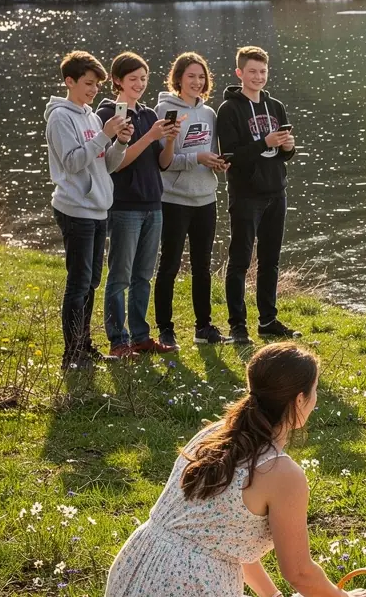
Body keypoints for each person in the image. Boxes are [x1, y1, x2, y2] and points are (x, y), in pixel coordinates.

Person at [104, 342, 366, 597]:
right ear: (299, 401)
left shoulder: (213, 436)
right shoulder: (280, 472)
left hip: (127, 594)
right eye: (315, 392)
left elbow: (228, 541)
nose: (316, 400)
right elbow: (300, 572)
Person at [45, 51, 131, 370]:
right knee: (79, 283)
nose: (94, 90)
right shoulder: (60, 117)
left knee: (92, 281)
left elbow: (105, 165)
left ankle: (84, 346)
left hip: (98, 208)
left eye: (97, 85)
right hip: (75, 209)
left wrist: (119, 142)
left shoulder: (92, 117)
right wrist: (104, 135)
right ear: (70, 81)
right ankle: (72, 355)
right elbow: (72, 163)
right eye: (88, 83)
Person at [96, 52, 179, 358]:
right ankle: (118, 340)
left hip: (153, 203)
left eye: (144, 78)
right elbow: (116, 164)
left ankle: (141, 337)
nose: (140, 84)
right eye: (133, 79)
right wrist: (150, 136)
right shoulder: (109, 114)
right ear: (117, 80)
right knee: (120, 275)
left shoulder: (148, 114)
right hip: (124, 205)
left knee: (143, 275)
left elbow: (163, 164)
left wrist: (169, 139)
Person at [217, 45, 297, 345]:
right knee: (240, 260)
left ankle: (267, 321)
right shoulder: (229, 110)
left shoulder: (275, 106)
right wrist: (265, 142)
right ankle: (237, 326)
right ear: (239, 73)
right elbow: (231, 156)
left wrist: (288, 147)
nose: (258, 77)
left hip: (277, 191)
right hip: (246, 194)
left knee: (270, 260)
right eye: (252, 71)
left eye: (263, 71)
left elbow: (283, 154)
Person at [154, 52, 229, 349]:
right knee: (170, 265)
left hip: (205, 198)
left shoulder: (209, 114)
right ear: (178, 79)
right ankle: (165, 329)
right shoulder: (165, 110)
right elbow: (163, 162)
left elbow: (210, 152)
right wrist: (196, 158)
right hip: (174, 199)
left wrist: (217, 163)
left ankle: (203, 327)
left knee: (202, 267)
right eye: (191, 76)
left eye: (201, 77)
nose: (197, 82)